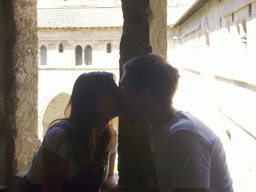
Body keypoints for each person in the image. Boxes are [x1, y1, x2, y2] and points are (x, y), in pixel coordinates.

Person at [116, 54, 233, 192]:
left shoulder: (183, 135)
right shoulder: (160, 129)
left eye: (124, 88)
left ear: (144, 95)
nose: (119, 95)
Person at [16, 72, 122, 192]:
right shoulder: (59, 137)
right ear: (90, 100)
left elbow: (109, 178)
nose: (120, 94)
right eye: (110, 91)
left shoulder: (109, 135)